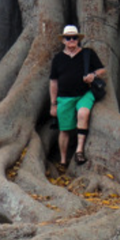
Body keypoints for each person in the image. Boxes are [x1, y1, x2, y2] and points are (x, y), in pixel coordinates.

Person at [49, 26, 106, 168]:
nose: (72, 40)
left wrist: (93, 75)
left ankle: (79, 150)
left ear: (78, 39)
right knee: (64, 129)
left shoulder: (87, 54)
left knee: (83, 112)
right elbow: (53, 81)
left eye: (74, 37)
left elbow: (102, 69)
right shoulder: (58, 59)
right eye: (68, 38)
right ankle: (63, 160)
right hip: (64, 98)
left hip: (84, 94)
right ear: (63, 40)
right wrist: (53, 104)